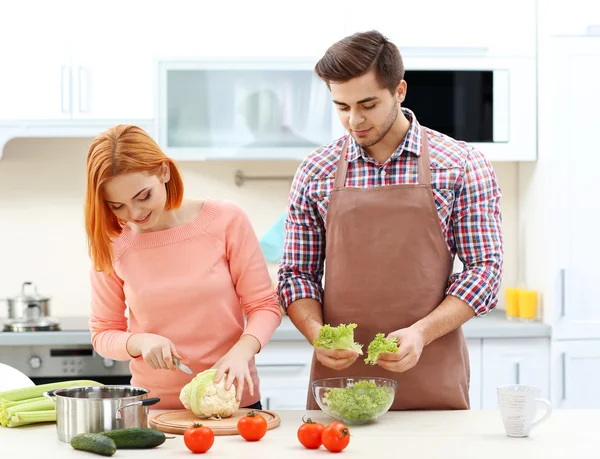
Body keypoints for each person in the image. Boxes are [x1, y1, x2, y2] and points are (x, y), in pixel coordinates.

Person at [277, 30, 504, 410]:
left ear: (399, 91)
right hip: (340, 381)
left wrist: (421, 333)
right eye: (342, 107)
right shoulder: (315, 171)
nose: (354, 120)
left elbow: (485, 270)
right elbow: (296, 274)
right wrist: (317, 334)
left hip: (432, 369)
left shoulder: (461, 164)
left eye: (368, 104)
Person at [85, 125, 282, 410]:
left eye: (143, 196)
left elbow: (264, 305)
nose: (135, 214)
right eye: (118, 206)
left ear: (164, 171)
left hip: (231, 400)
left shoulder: (226, 220)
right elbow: (103, 333)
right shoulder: (112, 243)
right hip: (154, 408)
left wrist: (242, 351)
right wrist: (139, 342)